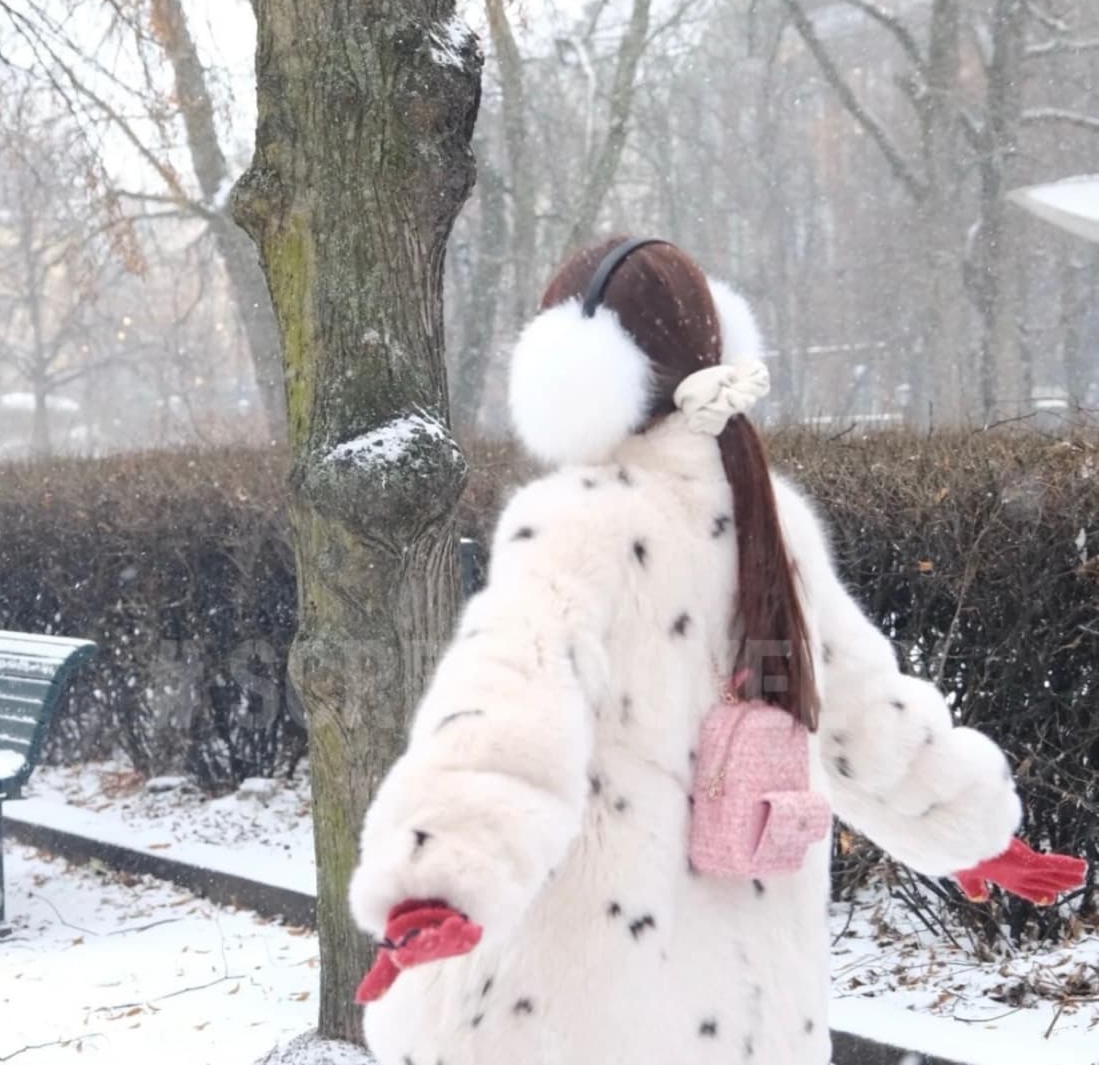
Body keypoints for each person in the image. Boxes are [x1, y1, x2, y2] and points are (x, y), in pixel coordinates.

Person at [348, 238, 1085, 1065]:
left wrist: (438, 875)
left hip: (580, 996)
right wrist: (958, 824)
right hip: (747, 1003)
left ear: (570, 368)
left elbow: (503, 706)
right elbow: (854, 709)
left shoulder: (575, 523)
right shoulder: (765, 519)